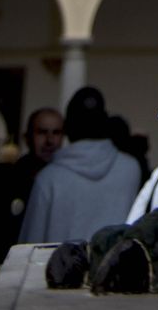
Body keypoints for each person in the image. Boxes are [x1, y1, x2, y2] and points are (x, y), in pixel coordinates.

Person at [17, 87, 140, 244]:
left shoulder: (48, 179)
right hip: (115, 259)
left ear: (67, 128)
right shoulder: (130, 169)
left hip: (61, 260)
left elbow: (29, 246)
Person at [0, 104, 63, 265]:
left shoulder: (66, 182)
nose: (49, 140)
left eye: (56, 133)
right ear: (27, 138)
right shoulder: (3, 180)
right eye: (42, 132)